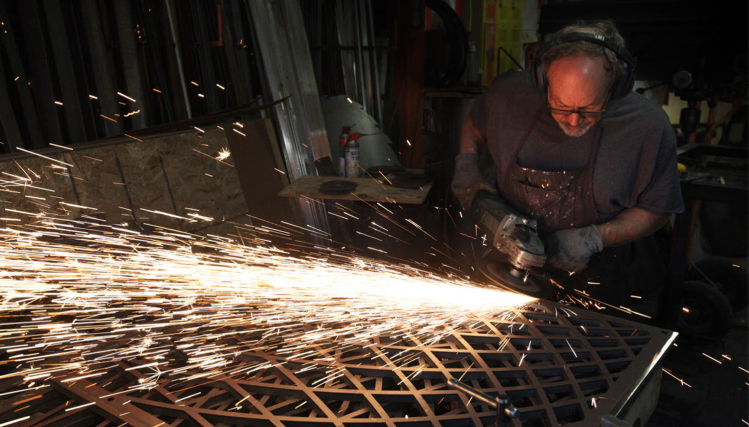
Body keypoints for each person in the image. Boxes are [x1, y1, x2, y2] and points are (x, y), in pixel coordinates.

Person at [451, 20, 684, 302]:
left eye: (588, 109)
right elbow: (475, 125)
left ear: (617, 86)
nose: (574, 121)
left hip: (595, 275)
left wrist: (594, 239)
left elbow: (658, 210)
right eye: (560, 106)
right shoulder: (506, 96)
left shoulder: (648, 127)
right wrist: (467, 163)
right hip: (502, 261)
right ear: (542, 80)